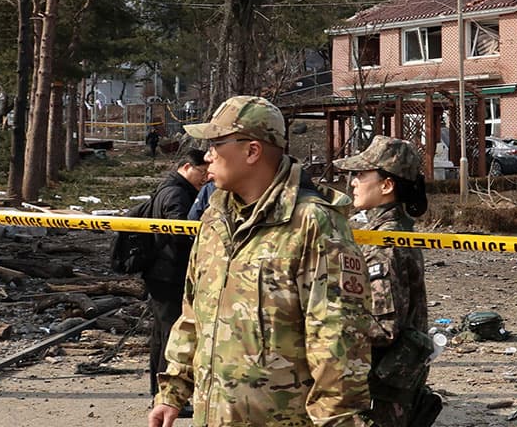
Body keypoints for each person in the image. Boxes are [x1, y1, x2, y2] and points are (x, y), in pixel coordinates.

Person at [148, 95, 374, 427]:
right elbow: (193, 314)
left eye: (217, 144)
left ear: (252, 151)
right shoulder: (214, 219)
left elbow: (339, 342)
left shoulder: (313, 223)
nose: (207, 156)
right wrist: (173, 392)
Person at [335, 136, 442, 427]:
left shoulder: (386, 242)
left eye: (360, 175)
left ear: (386, 185)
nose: (353, 183)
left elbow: (384, 328)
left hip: (383, 394)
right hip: (390, 386)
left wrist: (325, 324)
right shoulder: (388, 231)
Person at [143, 149, 210, 400]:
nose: (204, 178)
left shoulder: (169, 188)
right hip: (170, 272)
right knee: (171, 334)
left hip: (161, 271)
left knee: (161, 334)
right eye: (201, 172)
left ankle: (158, 389)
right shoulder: (177, 193)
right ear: (186, 167)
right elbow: (179, 231)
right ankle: (167, 393)